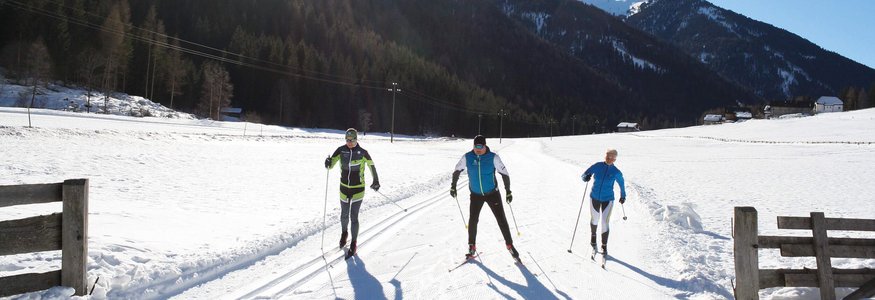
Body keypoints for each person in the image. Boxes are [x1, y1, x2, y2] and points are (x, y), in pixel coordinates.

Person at [450, 135, 519, 261]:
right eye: (475, 146)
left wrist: (508, 191)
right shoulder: (467, 157)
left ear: (485, 145)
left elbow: (504, 173)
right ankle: (471, 246)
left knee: (501, 219)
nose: (477, 149)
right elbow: (457, 170)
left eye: (480, 147)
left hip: (492, 194)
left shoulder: (493, 157)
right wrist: (453, 186)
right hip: (475, 195)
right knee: (473, 220)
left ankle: (510, 245)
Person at [325, 128, 380, 258]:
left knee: (354, 216)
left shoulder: (363, 152)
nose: (349, 142)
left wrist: (376, 180)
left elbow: (371, 166)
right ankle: (344, 233)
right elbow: (330, 165)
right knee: (344, 215)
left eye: (352, 140)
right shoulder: (340, 150)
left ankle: (354, 242)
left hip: (358, 189)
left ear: (356, 139)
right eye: (347, 140)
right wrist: (327, 162)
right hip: (344, 188)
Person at [581, 148, 626, 257]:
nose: (610, 159)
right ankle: (593, 236)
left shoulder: (616, 172)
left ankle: (604, 245)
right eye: (608, 156)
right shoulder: (597, 166)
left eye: (612, 157)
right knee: (594, 219)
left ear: (615, 159)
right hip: (594, 197)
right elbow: (584, 175)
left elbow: (622, 184)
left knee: (605, 222)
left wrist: (623, 196)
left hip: (608, 199)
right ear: (605, 156)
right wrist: (586, 177)